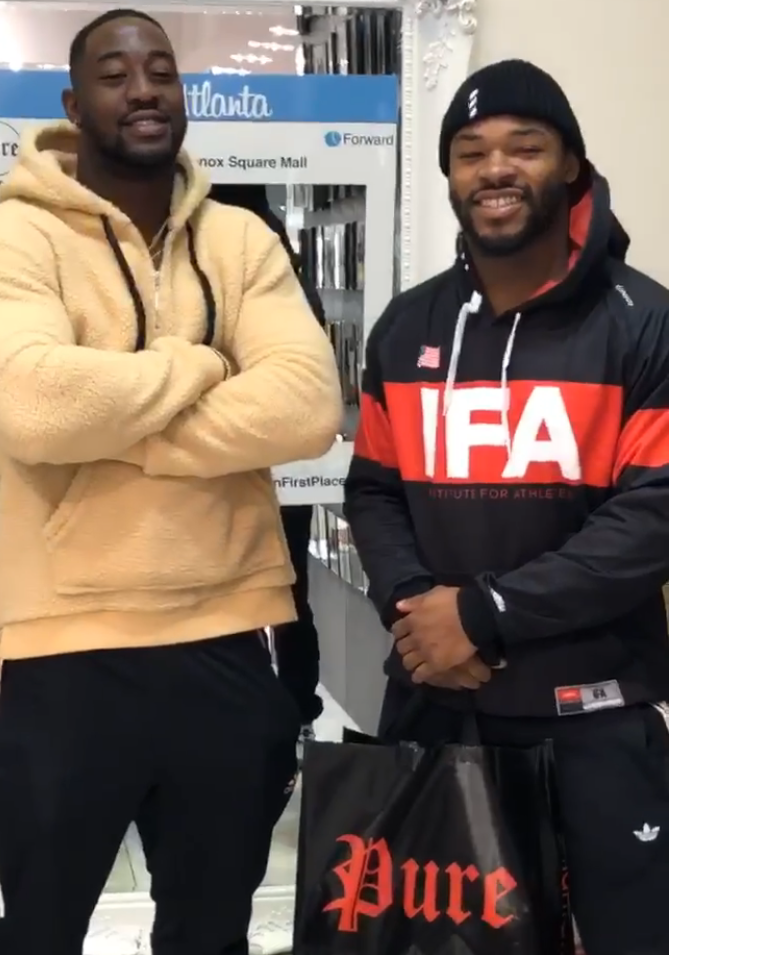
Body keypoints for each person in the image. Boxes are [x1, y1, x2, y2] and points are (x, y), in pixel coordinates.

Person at [0, 8, 343, 955]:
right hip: (61, 651)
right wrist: (201, 363)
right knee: (36, 933)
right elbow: (34, 406)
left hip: (231, 636)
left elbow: (305, 407)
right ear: (72, 102)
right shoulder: (7, 241)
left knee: (210, 933)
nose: (143, 90)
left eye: (161, 71)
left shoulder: (241, 241)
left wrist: (119, 428)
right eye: (116, 74)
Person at [344, 59, 668, 955]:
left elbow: (654, 517)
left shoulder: (645, 323)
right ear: (448, 175)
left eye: (524, 146)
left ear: (570, 164)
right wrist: (417, 610)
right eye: (470, 151)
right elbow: (374, 487)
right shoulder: (406, 326)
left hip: (593, 714)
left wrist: (481, 614)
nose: (495, 168)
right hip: (437, 705)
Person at [210, 183, 327, 742]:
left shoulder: (248, 256)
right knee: (286, 592)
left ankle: (286, 716)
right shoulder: (281, 258)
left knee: (266, 595)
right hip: (277, 469)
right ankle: (295, 717)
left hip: (258, 469)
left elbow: (304, 397)